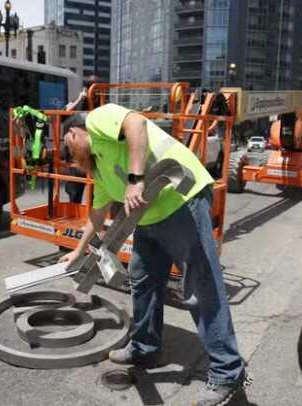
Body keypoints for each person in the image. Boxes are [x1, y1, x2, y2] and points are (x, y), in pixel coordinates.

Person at [59, 104, 248, 405]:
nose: (71, 161)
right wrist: (77, 252)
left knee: (200, 286)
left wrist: (136, 181)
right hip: (148, 217)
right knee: (143, 279)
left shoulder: (97, 119)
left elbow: (136, 123)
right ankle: (145, 347)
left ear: (72, 132)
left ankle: (228, 371)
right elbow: (96, 214)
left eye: (68, 152)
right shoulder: (101, 168)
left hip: (180, 199)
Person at [63, 75, 100, 204]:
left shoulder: (103, 103)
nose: (95, 90)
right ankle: (73, 216)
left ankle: (93, 217)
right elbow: (65, 116)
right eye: (91, 86)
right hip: (77, 152)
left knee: (97, 190)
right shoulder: (79, 101)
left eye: (97, 87)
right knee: (75, 188)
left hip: (96, 152)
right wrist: (81, 98)